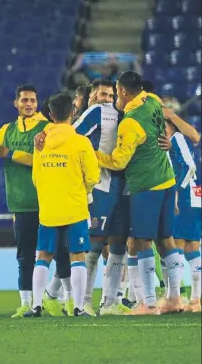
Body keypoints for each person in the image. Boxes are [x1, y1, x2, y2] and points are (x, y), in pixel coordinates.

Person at [95, 71, 182, 315]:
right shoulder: (153, 100)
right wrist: (164, 138)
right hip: (167, 179)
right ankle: (174, 298)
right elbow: (163, 123)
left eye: (116, 91)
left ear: (122, 91)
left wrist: (91, 155)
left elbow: (119, 161)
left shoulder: (130, 122)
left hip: (146, 185)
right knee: (165, 239)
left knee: (143, 240)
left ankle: (149, 302)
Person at [0, 85, 53, 317]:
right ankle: (25, 302)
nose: (29, 104)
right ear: (16, 103)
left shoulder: (47, 129)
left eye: (32, 100)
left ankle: (54, 298)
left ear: (38, 103)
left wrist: (10, 153)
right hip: (20, 203)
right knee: (24, 254)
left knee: (53, 251)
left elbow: (43, 160)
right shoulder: (7, 130)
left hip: (47, 200)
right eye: (24, 100)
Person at [25, 94, 100, 317]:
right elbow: (93, 176)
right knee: (78, 256)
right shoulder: (81, 142)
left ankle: (35, 305)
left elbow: (36, 179)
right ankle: (77, 307)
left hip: (48, 209)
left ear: (50, 115)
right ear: (73, 113)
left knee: (43, 256)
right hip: (75, 207)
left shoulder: (40, 143)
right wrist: (81, 190)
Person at [71, 78, 130, 316]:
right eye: (104, 95)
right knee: (94, 245)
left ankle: (109, 303)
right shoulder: (98, 112)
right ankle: (83, 300)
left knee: (118, 246)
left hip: (125, 189)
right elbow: (74, 136)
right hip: (101, 187)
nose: (108, 99)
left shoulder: (130, 116)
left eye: (111, 95)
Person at [165, 120, 201, 312]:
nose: (161, 130)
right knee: (192, 247)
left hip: (185, 195)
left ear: (172, 127)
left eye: (164, 126)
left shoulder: (177, 138)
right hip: (195, 194)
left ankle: (175, 298)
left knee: (176, 244)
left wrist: (177, 192)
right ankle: (195, 300)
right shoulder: (179, 141)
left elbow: (189, 167)